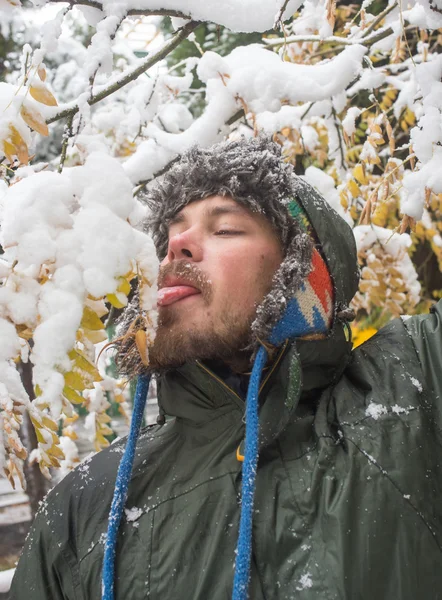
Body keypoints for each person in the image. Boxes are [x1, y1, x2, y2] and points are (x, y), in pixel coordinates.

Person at [11, 136, 442, 600]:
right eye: (171, 234)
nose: (177, 246)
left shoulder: (416, 388)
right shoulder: (86, 505)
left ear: (301, 273)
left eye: (226, 229)